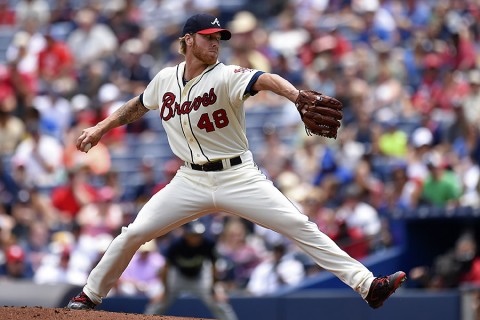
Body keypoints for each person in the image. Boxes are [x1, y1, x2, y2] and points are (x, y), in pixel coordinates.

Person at [66, 13, 406, 311]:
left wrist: (297, 97)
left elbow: (265, 79)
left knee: (300, 226)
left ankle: (367, 286)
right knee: (134, 233)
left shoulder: (226, 74)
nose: (216, 43)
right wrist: (100, 128)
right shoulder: (165, 79)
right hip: (189, 180)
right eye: (209, 38)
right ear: (187, 40)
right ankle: (89, 296)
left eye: (219, 38)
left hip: (238, 176)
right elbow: (138, 105)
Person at [144, 221, 238, 320]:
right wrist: (164, 290)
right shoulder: (176, 244)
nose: (196, 238)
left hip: (199, 277)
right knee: (159, 302)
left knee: (219, 302)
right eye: (193, 235)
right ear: (186, 234)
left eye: (199, 235)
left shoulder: (208, 243)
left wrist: (214, 289)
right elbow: (166, 268)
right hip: (178, 277)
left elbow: (213, 267)